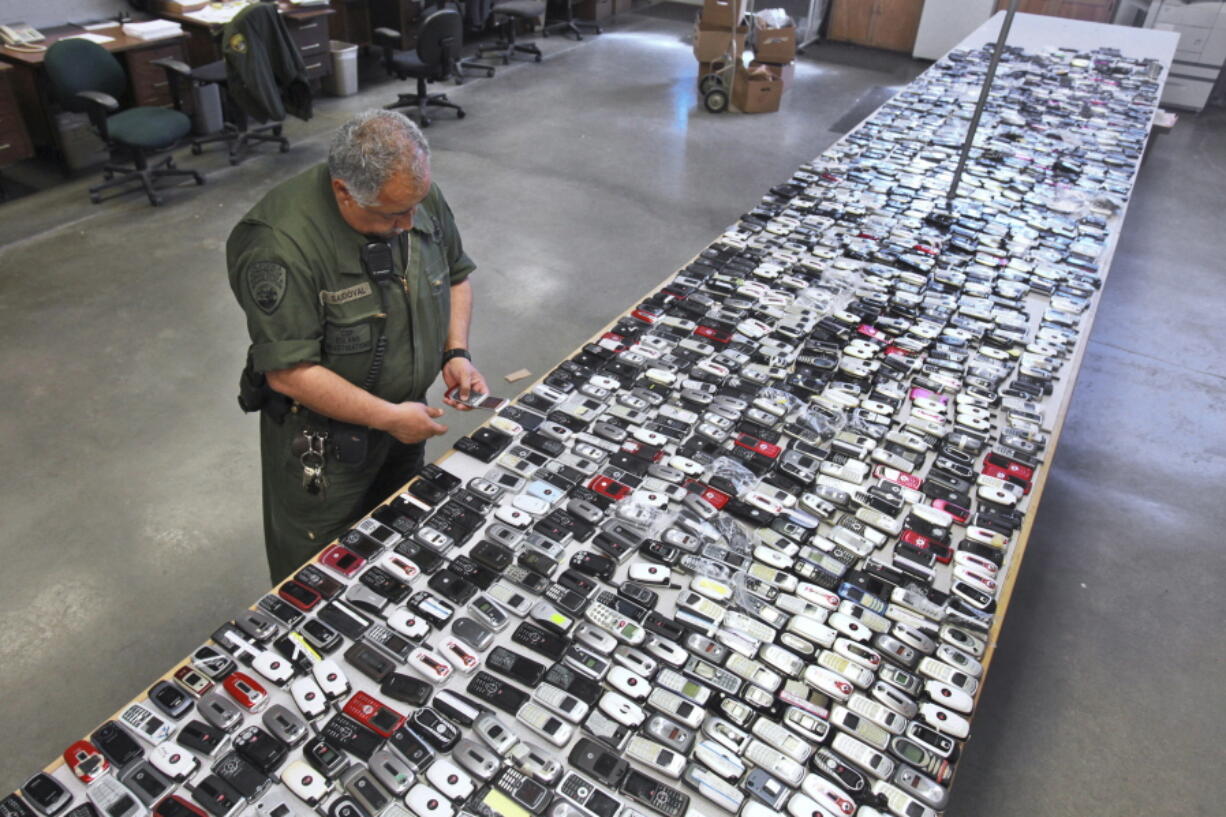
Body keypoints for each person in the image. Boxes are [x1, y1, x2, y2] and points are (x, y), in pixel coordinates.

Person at [227, 109, 487, 583]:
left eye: (416, 205)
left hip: (405, 421)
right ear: (345, 192)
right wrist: (388, 418)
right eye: (393, 214)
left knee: (401, 543)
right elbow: (288, 371)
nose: (410, 223)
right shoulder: (279, 246)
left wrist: (455, 352)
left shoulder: (412, 197)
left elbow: (455, 275)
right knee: (321, 573)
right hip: (327, 448)